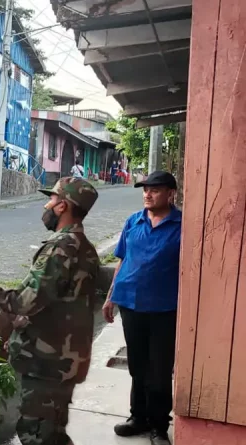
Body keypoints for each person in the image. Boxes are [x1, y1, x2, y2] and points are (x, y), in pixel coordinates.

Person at [0, 177, 100, 445]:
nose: (46, 204)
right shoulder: (83, 246)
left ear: (63, 206)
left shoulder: (60, 247)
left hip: (49, 361)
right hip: (65, 357)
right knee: (52, 431)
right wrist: (24, 323)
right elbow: (59, 300)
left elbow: (26, 300)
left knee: (37, 434)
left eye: (51, 200)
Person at [102, 171, 181, 445]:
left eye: (155, 190)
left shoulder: (182, 225)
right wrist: (110, 296)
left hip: (164, 308)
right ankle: (138, 418)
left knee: (159, 370)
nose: (147, 194)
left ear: (171, 193)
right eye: (145, 189)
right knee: (137, 366)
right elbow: (122, 260)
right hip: (131, 304)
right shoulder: (133, 222)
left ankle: (159, 426)